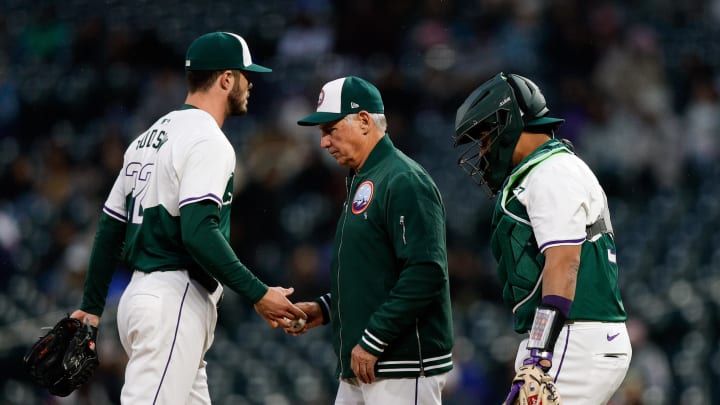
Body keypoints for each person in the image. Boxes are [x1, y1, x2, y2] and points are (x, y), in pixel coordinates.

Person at [68, 32, 306, 404]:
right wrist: (259, 294)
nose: (250, 82)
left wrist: (92, 306)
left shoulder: (146, 138)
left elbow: (111, 228)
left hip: (142, 297)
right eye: (245, 74)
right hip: (173, 299)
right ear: (226, 79)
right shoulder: (207, 139)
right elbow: (198, 232)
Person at [452, 72, 632, 404]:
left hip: (575, 338)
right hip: (575, 337)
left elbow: (564, 263)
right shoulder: (546, 170)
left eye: (486, 137)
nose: (483, 150)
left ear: (507, 124)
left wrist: (539, 353)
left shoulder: (552, 172)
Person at [289, 76, 454, 404]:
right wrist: (325, 308)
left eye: (330, 129)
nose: (323, 142)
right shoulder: (365, 179)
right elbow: (372, 274)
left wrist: (374, 338)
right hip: (365, 365)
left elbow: (425, 271)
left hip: (402, 365)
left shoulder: (403, 178)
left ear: (364, 121)